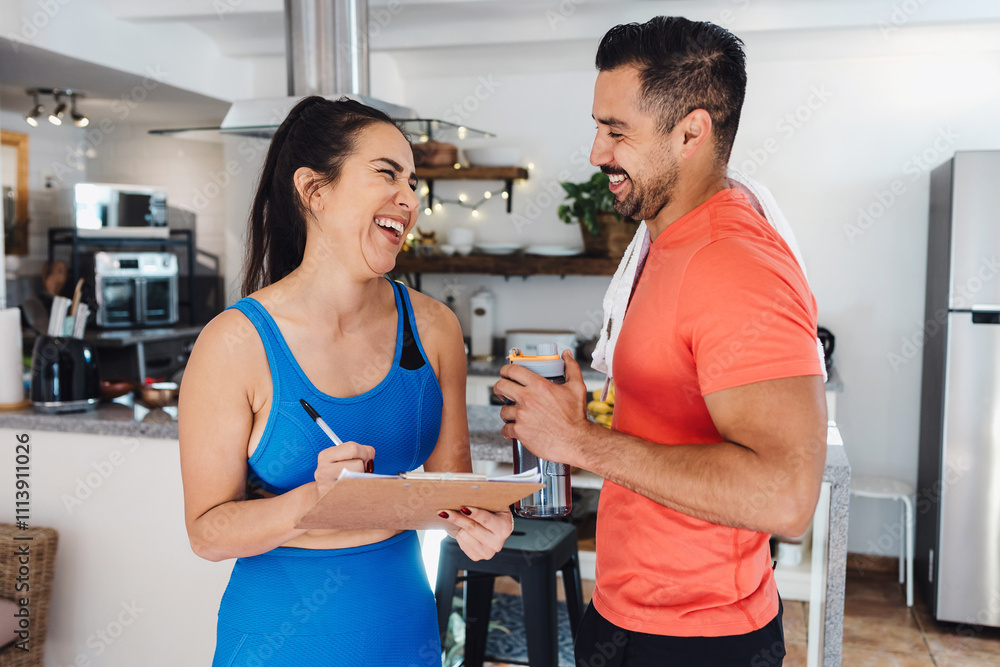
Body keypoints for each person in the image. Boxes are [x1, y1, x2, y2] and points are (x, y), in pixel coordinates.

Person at [493, 17, 827, 667]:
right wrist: (582, 420)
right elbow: (672, 420)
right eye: (598, 127)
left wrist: (579, 441)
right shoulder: (661, 241)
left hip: (699, 638)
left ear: (691, 133)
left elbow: (786, 497)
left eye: (617, 131)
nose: (597, 153)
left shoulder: (736, 264)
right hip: (626, 612)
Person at [178, 96, 513, 667]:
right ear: (314, 189)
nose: (410, 199)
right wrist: (317, 501)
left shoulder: (434, 328)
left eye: (413, 182)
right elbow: (208, 533)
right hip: (278, 641)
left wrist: (480, 522)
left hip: (403, 628)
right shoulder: (235, 342)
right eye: (387, 174)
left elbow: (451, 493)